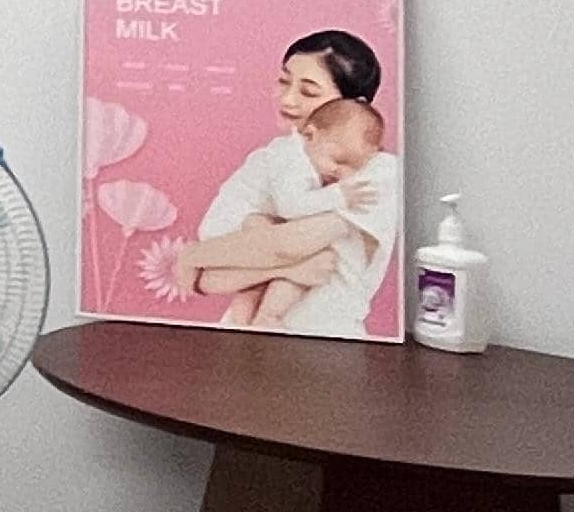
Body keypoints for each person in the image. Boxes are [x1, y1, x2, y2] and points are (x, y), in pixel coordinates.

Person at [152, 29, 397, 334]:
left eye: (308, 92)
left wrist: (200, 255)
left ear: (356, 106)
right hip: (243, 339)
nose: (287, 99)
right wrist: (290, 267)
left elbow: (291, 244)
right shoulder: (276, 157)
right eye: (284, 81)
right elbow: (206, 279)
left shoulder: (380, 172)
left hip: (324, 338)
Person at [175, 98, 397, 330]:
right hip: (232, 221)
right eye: (337, 160)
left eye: (353, 167)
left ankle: (255, 320)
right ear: (310, 135)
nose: (339, 172)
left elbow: (205, 281)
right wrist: (337, 196)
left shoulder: (376, 169)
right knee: (278, 257)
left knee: (261, 277)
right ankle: (260, 318)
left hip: (251, 232)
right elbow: (291, 208)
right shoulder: (290, 159)